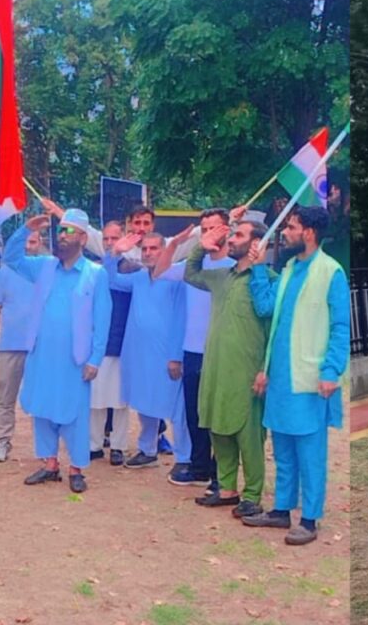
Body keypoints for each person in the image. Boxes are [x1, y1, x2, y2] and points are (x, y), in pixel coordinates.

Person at [242, 206, 350, 546]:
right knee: (284, 448)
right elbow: (266, 309)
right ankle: (280, 510)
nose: (284, 232)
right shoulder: (288, 268)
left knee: (310, 453)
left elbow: (340, 328)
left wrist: (331, 370)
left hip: (311, 379)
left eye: (291, 227)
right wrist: (258, 269)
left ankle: (309, 518)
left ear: (309, 233)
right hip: (280, 379)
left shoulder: (331, 272)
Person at [2, 210, 111, 494]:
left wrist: (95, 359)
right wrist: (25, 230)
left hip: (76, 359)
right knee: (42, 408)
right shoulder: (44, 267)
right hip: (41, 355)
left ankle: (76, 468)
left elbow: (103, 321)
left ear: (83, 238)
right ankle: (50, 464)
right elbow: (11, 259)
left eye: (69, 231)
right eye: (61, 230)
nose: (62, 236)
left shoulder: (96, 274)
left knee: (74, 413)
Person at [185, 218, 272, 518]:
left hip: (247, 375)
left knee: (248, 437)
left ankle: (252, 495)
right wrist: (200, 247)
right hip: (216, 371)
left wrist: (265, 370)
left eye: (239, 235)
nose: (232, 239)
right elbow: (190, 273)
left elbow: (273, 329)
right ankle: (227, 489)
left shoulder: (268, 281)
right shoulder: (221, 276)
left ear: (257, 244)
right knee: (218, 429)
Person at [149, 208, 233, 487]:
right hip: (192, 351)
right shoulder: (192, 265)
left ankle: (221, 472)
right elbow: (159, 272)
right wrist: (174, 244)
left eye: (215, 228)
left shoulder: (235, 266)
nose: (209, 233)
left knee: (219, 415)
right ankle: (198, 467)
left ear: (227, 230)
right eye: (204, 228)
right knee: (194, 413)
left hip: (221, 352)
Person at [107, 232, 188, 470]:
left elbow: (181, 319)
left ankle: (185, 457)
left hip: (167, 355)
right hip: (139, 353)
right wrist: (114, 254)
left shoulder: (176, 279)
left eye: (154, 249)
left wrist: (175, 355)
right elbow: (110, 279)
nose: (149, 253)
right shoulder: (139, 278)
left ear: (164, 251)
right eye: (145, 249)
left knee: (176, 408)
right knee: (145, 401)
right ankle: (147, 449)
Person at [0, 228, 46, 462]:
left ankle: (44, 447)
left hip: (38, 346)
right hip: (10, 345)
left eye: (33, 242)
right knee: (5, 398)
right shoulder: (6, 272)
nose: (29, 247)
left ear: (40, 243)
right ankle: (2, 442)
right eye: (26, 242)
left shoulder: (46, 270)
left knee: (40, 398)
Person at [92, 220, 133, 465]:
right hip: (97, 344)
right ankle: (94, 444)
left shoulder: (132, 269)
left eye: (114, 239)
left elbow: (113, 281)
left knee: (120, 401)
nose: (109, 243)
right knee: (95, 399)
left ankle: (118, 446)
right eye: (106, 239)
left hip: (123, 343)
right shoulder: (92, 269)